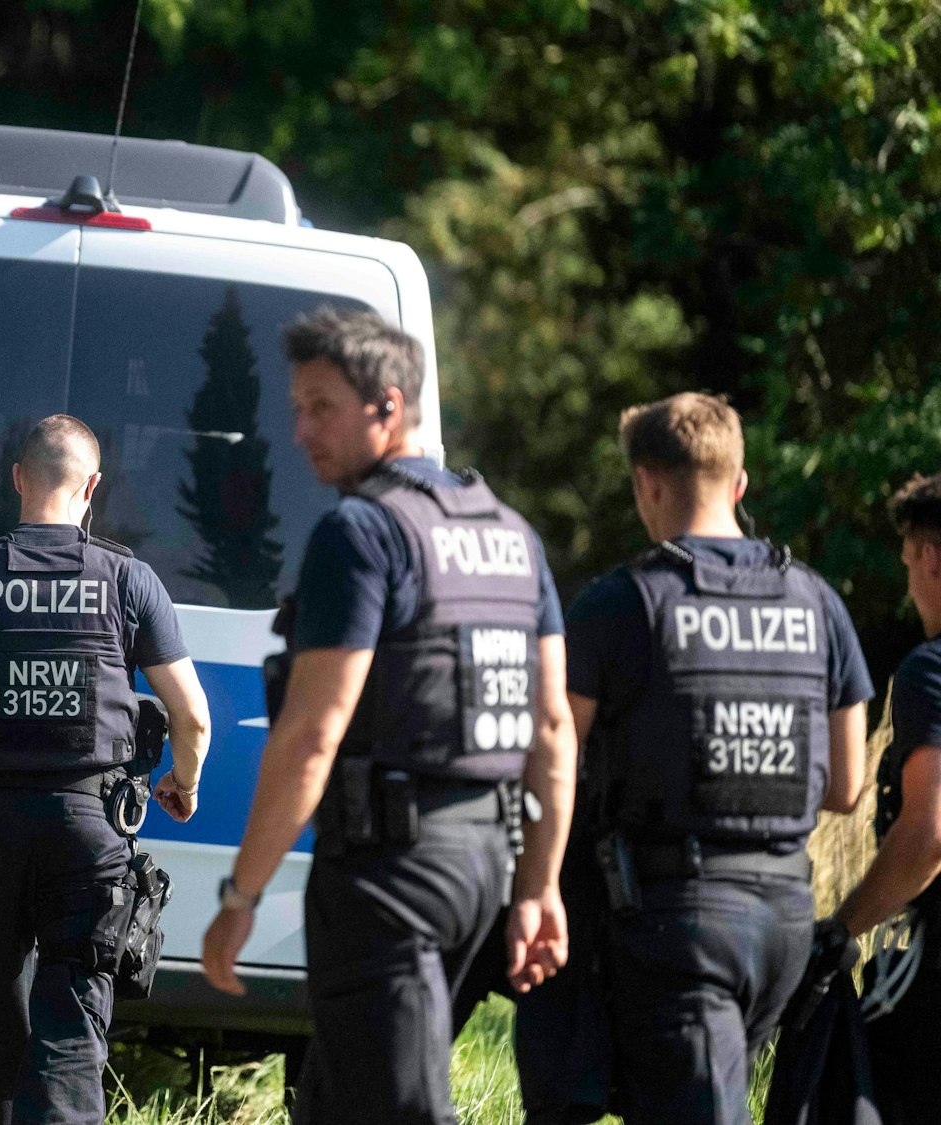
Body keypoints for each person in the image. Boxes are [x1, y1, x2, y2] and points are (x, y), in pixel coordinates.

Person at [200, 308, 578, 1125]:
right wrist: (538, 885)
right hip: (481, 861)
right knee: (340, 1102)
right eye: (298, 407)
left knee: (400, 1109)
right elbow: (551, 726)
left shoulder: (362, 532)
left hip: (389, 879)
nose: (301, 431)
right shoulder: (513, 535)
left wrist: (241, 894)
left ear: (389, 406)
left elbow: (312, 733)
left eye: (322, 407)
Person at [517, 393, 870, 1125]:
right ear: (740, 483)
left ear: (647, 482)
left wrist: (539, 881)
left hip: (681, 926)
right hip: (784, 922)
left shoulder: (622, 602)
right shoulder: (817, 601)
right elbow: (845, 785)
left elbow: (552, 753)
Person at [0, 414, 213, 1125]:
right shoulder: (130, 580)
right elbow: (193, 715)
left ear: (17, 479)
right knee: (70, 1044)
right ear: (92, 487)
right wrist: (182, 781)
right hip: (91, 835)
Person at [830, 472, 941, 1124]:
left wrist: (840, 930)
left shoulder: (930, 671)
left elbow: (928, 835)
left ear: (930, 558)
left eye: (906, 561)